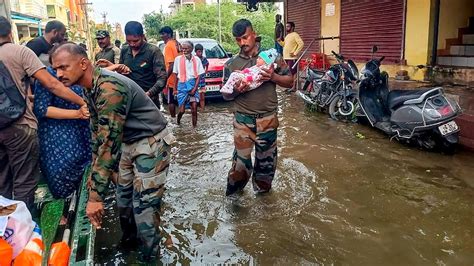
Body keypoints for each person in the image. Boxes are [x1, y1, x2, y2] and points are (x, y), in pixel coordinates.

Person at [50, 42, 173, 262]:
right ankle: (129, 247)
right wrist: (94, 178)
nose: (58, 74)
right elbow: (97, 134)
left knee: (144, 210)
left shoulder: (110, 88)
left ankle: (150, 259)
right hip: (126, 142)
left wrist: (95, 197)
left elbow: (108, 143)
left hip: (150, 143)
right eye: (55, 69)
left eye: (63, 67)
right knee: (124, 202)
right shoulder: (90, 85)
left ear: (83, 63)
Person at [0, 16, 88, 210]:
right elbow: (51, 84)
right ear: (10, 32)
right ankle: (24, 228)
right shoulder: (19, 51)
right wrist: (82, 105)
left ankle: (4, 227)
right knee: (24, 180)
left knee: (2, 181)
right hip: (19, 126)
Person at [223, 19, 292, 196]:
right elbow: (225, 94)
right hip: (242, 121)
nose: (242, 43)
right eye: (238, 39)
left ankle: (264, 209)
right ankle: (234, 203)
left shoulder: (272, 57)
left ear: (254, 34)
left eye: (245, 37)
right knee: (240, 166)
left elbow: (290, 81)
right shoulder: (231, 64)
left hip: (267, 120)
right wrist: (236, 90)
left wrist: (273, 77)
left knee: (266, 169)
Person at [33, 67, 91, 199]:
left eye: (64, 66)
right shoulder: (48, 75)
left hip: (81, 131)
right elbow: (42, 109)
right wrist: (77, 114)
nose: (60, 72)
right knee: (62, 173)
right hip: (56, 134)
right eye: (57, 67)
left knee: (88, 172)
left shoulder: (79, 73)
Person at [120, 21, 167, 109]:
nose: (132, 44)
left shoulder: (153, 51)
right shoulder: (125, 50)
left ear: (142, 36)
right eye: (128, 41)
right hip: (129, 101)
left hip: (149, 101)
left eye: (135, 41)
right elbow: (120, 73)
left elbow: (162, 78)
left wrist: (149, 94)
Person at [173, 41, 204, 128]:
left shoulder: (197, 60)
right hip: (182, 85)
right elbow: (175, 74)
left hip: (193, 85)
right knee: (182, 110)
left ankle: (194, 128)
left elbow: (198, 76)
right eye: (182, 48)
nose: (184, 50)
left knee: (194, 108)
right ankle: (178, 122)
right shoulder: (177, 59)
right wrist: (174, 89)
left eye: (186, 48)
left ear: (191, 49)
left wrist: (195, 89)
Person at [153, 26, 180, 117]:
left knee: (171, 101)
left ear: (168, 34)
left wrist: (164, 78)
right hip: (181, 78)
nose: (161, 36)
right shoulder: (177, 43)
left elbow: (171, 65)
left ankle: (174, 120)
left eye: (163, 34)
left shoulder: (168, 46)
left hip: (172, 79)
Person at [283, 21, 304, 92]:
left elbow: (301, 44)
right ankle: (292, 86)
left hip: (292, 58)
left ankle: (294, 87)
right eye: (286, 26)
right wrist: (280, 42)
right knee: (290, 73)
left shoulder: (295, 35)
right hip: (286, 57)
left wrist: (295, 53)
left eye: (288, 26)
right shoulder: (287, 36)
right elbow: (284, 45)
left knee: (294, 73)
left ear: (292, 27)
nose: (286, 28)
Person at [194, 43, 209, 111]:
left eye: (201, 51)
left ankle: (202, 110)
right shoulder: (194, 59)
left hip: (202, 80)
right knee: (194, 97)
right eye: (199, 51)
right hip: (194, 80)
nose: (200, 53)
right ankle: (195, 110)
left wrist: (206, 71)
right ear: (195, 52)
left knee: (202, 96)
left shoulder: (203, 59)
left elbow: (207, 64)